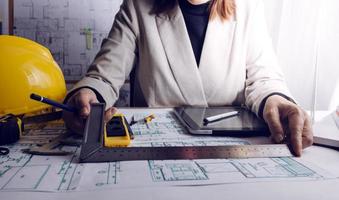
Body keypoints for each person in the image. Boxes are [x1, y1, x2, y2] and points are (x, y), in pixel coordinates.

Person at [63, 0, 313, 156]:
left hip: (233, 149)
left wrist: (275, 100)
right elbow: (104, 76)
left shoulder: (248, 7)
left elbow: (264, 78)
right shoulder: (137, 6)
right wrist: (88, 97)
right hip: (155, 150)